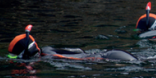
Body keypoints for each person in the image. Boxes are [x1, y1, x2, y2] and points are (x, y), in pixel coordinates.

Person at [8, 25, 138, 61]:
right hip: (102, 55)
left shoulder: (46, 54)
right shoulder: (46, 51)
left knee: (142, 62)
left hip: (103, 57)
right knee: (146, 60)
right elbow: (78, 51)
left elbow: (78, 53)